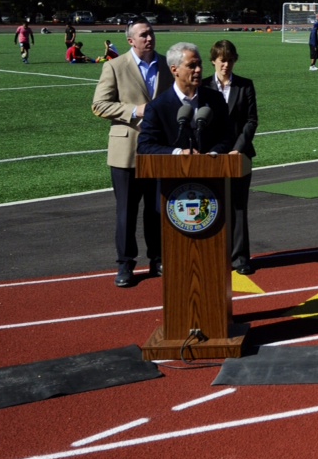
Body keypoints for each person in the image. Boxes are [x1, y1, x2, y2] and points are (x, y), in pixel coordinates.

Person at [91, 18, 173, 288]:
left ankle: (157, 258)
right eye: (144, 35)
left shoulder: (166, 64)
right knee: (126, 211)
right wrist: (135, 110)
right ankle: (126, 264)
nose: (150, 38)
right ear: (130, 41)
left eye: (151, 33)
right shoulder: (114, 66)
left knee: (156, 210)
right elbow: (99, 105)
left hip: (158, 150)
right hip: (125, 150)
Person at [208, 40, 260, 275]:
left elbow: (251, 120)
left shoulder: (245, 86)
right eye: (222, 60)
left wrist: (238, 148)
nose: (226, 65)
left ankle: (240, 257)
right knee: (215, 207)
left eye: (229, 60)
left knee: (239, 207)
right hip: (213, 155)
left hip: (241, 154)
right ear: (213, 61)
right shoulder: (205, 87)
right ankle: (217, 254)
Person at [137, 42, 233, 157]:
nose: (198, 70)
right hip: (174, 172)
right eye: (192, 66)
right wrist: (178, 153)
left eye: (199, 64)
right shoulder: (157, 107)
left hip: (212, 171)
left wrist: (213, 153)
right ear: (174, 70)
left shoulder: (215, 99)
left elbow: (228, 136)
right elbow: (145, 146)